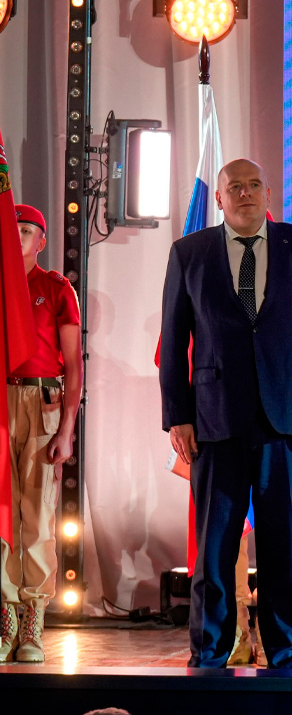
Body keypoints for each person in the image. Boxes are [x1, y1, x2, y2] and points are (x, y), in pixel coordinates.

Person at [160, 158, 292, 668]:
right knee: (215, 548)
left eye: (253, 185)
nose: (245, 193)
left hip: (287, 416)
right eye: (234, 187)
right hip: (213, 420)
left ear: (268, 194)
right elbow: (173, 341)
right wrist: (177, 415)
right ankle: (209, 653)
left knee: (281, 543)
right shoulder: (188, 252)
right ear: (219, 198)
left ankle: (283, 653)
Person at [1, 205, 82, 663]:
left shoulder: (55, 288)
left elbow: (73, 366)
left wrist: (67, 429)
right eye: (10, 229)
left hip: (41, 402)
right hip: (1, 402)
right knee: (1, 516)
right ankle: (5, 616)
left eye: (27, 230)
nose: (17, 236)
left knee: (37, 514)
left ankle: (33, 619)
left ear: (42, 241)